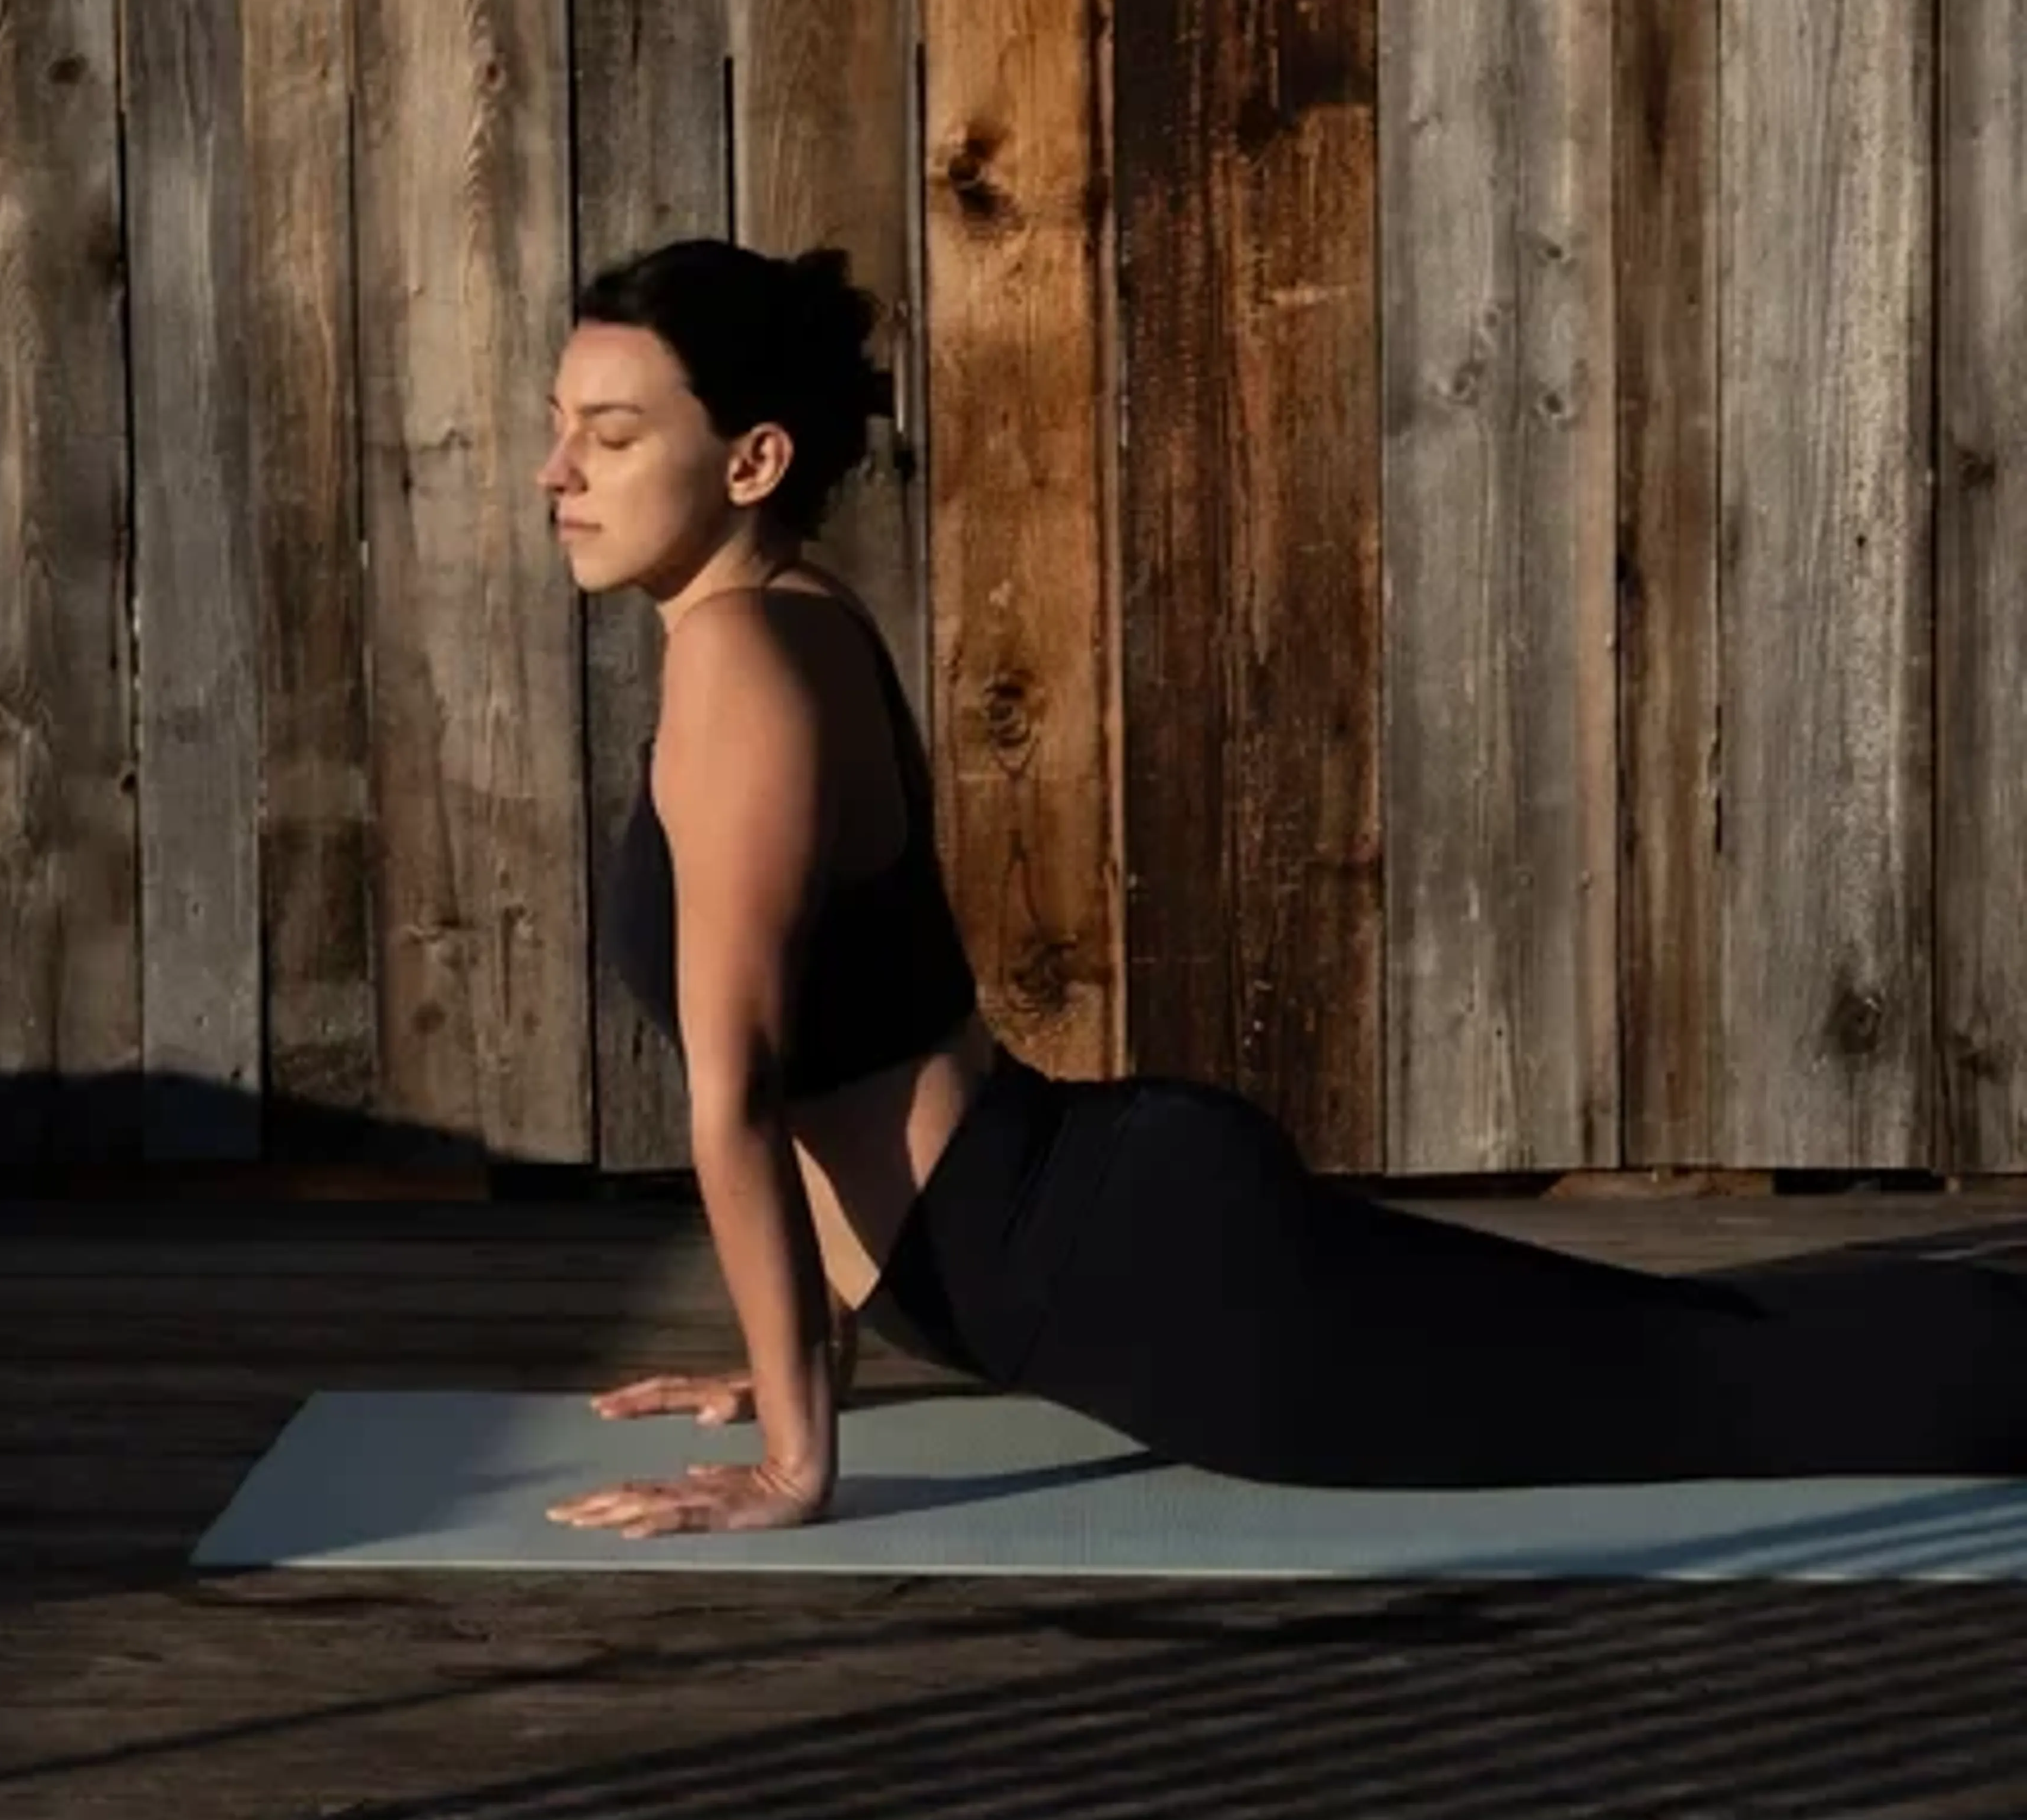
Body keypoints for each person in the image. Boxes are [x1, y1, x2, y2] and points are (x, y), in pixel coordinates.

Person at [538, 239, 2027, 1541]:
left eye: (610, 437)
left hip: (1136, 1279)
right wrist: (792, 1353)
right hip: (1100, 1229)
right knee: (1679, 1348)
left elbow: (745, 1092)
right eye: (559, 430)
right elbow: (844, 1056)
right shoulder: (782, 619)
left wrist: (796, 1464)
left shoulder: (742, 658)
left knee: (1710, 1388)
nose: (559, 475)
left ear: (753, 462)